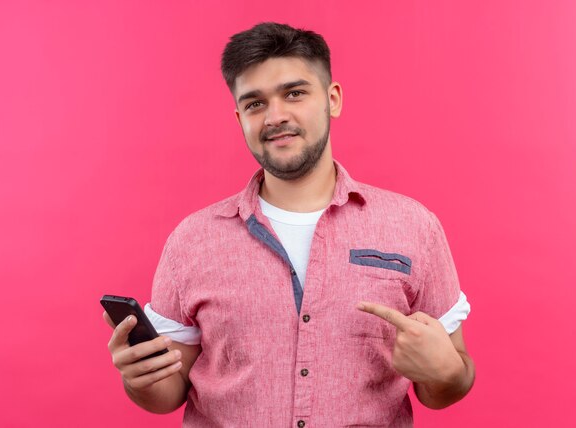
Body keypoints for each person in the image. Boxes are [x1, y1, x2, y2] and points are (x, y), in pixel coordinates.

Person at [104, 22, 475, 427]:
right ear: (240, 116)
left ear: (332, 99)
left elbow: (452, 383)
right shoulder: (191, 241)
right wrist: (139, 379)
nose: (275, 116)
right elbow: (166, 393)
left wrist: (446, 373)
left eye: (294, 93)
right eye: (255, 104)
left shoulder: (414, 227)